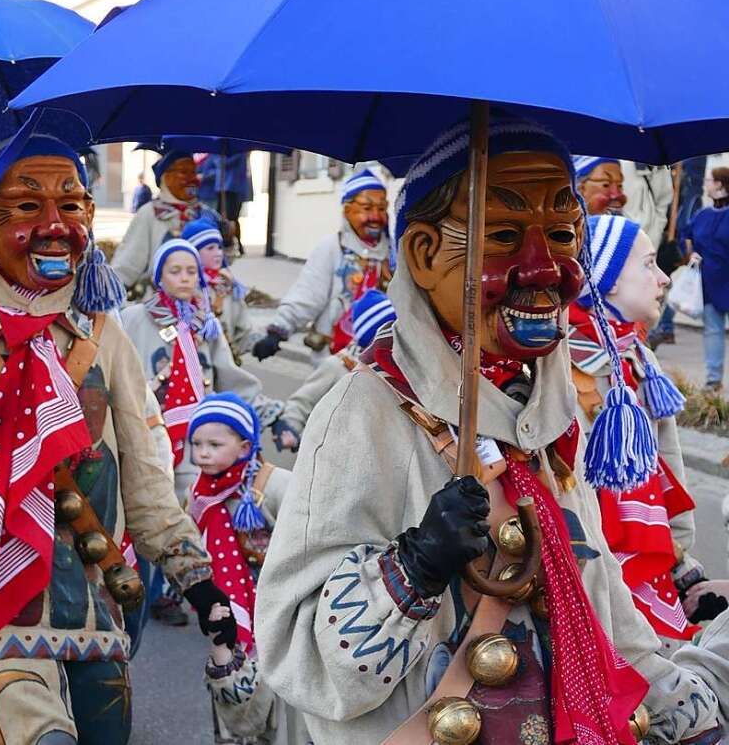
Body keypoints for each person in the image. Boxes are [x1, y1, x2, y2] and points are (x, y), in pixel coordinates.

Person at [254, 114, 726, 745]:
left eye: (561, 235)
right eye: (503, 236)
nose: (544, 268)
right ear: (423, 254)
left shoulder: (550, 413)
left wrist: (672, 703)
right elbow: (296, 657)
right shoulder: (359, 416)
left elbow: (596, 595)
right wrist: (413, 568)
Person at [0, 134, 236, 745]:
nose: (54, 225)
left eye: (71, 206)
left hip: (94, 598)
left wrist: (195, 578)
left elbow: (146, 474)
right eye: (27, 206)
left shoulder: (102, 335)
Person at [570, 214, 719, 649]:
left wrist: (680, 553)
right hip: (598, 575)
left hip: (652, 561)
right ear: (608, 279)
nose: (663, 279)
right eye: (649, 264)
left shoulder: (637, 357)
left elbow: (666, 463)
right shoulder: (563, 364)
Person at [184, 393, 305, 744]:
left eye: (214, 444)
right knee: (230, 678)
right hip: (231, 605)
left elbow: (310, 536)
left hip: (280, 610)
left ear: (243, 446)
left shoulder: (276, 486)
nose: (202, 453)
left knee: (280, 695)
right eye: (196, 443)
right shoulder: (201, 493)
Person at [120, 239, 280, 501]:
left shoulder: (206, 324)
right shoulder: (134, 318)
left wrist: (269, 413)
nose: (184, 278)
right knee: (152, 499)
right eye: (175, 271)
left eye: (191, 271)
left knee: (192, 498)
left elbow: (231, 377)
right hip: (150, 430)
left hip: (199, 433)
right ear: (159, 277)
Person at [253, 168, 392, 364]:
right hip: (333, 358)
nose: (376, 216)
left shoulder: (395, 253)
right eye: (367, 208)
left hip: (380, 359)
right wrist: (278, 330)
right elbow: (308, 293)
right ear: (347, 210)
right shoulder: (331, 248)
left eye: (381, 208)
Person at [272, 288, 396, 452]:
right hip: (335, 453)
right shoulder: (339, 366)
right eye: (393, 335)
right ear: (376, 339)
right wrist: (289, 426)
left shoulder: (399, 367)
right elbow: (303, 400)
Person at [110, 150, 214, 290]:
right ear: (166, 177)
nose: (192, 179)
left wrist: (226, 238)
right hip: (161, 300)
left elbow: (219, 259)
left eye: (194, 172)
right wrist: (111, 292)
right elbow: (129, 261)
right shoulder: (149, 213)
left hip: (202, 298)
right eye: (184, 173)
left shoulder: (205, 213)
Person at [185, 216, 259, 361]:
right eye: (210, 248)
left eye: (219, 247)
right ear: (193, 253)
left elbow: (242, 326)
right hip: (193, 364)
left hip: (224, 366)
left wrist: (258, 343)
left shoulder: (227, 286)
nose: (218, 253)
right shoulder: (184, 289)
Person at [683, 165, 729, 391]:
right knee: (713, 330)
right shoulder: (703, 215)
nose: (705, 184)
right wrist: (691, 253)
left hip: (725, 278)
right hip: (709, 283)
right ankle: (713, 380)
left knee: (714, 329)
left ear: (720, 184)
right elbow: (688, 237)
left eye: (709, 180)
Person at [198, 152, 253, 256]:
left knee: (231, 218)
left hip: (232, 188)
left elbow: (221, 163)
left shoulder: (237, 150)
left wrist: (217, 156)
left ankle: (233, 245)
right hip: (222, 187)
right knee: (222, 218)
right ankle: (228, 244)